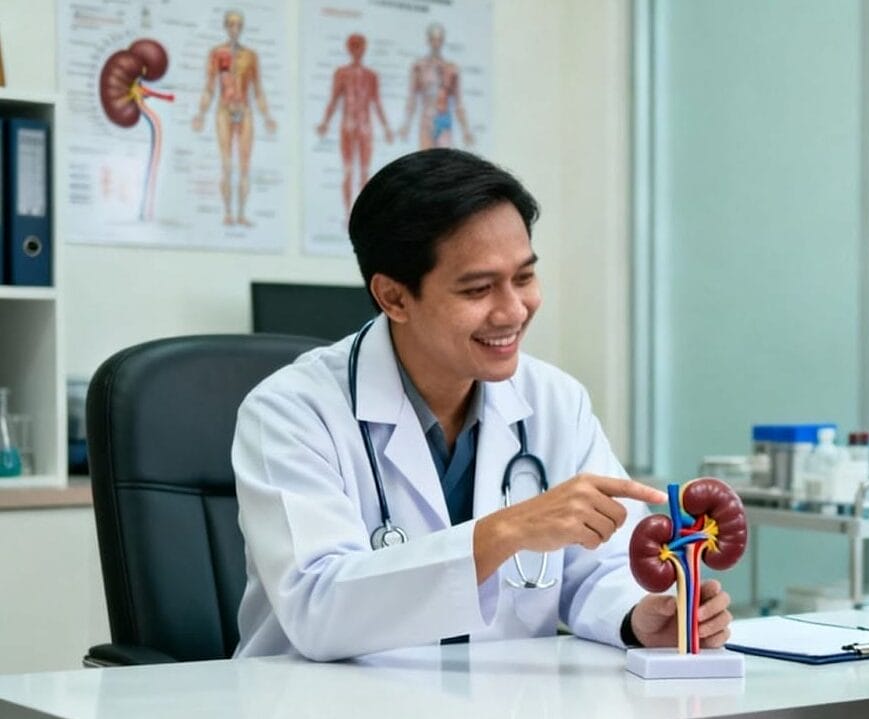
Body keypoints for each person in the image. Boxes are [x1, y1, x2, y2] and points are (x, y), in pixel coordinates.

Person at [232, 149, 733, 660]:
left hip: (499, 715)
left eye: (524, 278)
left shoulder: (555, 401)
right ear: (394, 298)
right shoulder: (291, 412)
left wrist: (638, 616)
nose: (514, 310)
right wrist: (509, 531)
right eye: (478, 288)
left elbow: (599, 569)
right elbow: (318, 610)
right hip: (318, 718)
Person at [190, 9, 276, 227]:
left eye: (238, 25)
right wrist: (200, 113)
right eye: (231, 24)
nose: (235, 29)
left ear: (242, 28)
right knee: (227, 165)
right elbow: (210, 87)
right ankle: (228, 213)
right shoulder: (217, 53)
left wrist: (267, 116)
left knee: (245, 165)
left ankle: (242, 214)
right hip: (224, 111)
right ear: (226, 27)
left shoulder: (251, 56)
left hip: (245, 111)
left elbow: (257, 90)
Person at [316, 33, 393, 217]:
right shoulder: (341, 73)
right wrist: (325, 122)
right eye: (354, 46)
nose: (357, 50)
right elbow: (334, 99)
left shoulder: (371, 76)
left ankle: (362, 217)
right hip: (349, 125)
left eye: (360, 46)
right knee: (349, 170)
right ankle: (348, 214)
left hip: (364, 126)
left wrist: (386, 128)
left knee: (365, 172)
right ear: (349, 49)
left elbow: (376, 102)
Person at [399, 23, 474, 150]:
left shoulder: (451, 69)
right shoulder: (419, 67)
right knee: (426, 162)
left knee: (443, 162)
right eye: (433, 39)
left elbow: (458, 103)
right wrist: (406, 125)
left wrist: (465, 130)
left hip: (444, 120)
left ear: (443, 41)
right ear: (428, 40)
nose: (436, 43)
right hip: (426, 121)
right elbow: (412, 99)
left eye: (439, 39)